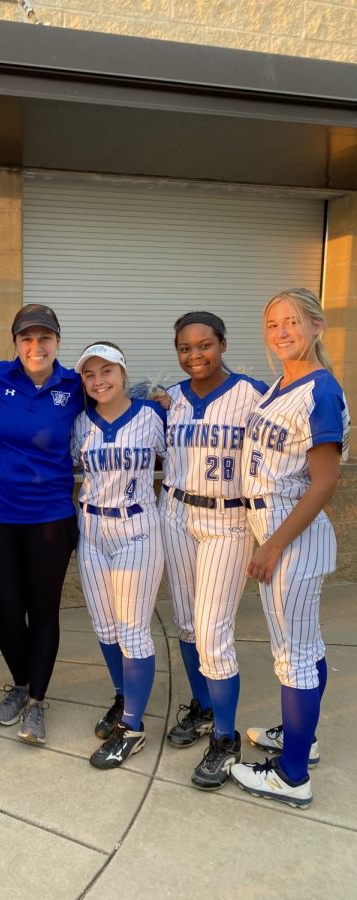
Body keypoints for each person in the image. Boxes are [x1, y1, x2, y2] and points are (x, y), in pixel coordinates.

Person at [230, 288, 349, 808]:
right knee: (306, 647)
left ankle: (292, 775)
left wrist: (273, 545)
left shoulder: (320, 390)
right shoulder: (283, 382)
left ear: (317, 326)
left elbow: (325, 482)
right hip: (278, 530)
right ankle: (305, 737)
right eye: (273, 323)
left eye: (292, 322)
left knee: (294, 657)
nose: (281, 331)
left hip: (290, 536)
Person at [161, 312, 268, 790]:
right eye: (185, 348)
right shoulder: (172, 400)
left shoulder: (253, 394)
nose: (194, 355)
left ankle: (226, 739)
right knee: (186, 622)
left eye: (204, 345)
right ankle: (204, 709)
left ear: (222, 344)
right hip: (177, 513)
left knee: (212, 632)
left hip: (227, 520)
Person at [0, 304, 83, 745]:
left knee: (42, 611)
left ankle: (36, 701)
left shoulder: (75, 385)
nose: (35, 347)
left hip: (50, 518)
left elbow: (115, 400)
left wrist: (163, 400)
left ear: (58, 341)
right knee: (4, 611)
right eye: (26, 339)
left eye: (44, 338)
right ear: (15, 343)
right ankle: (20, 683)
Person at [71, 342, 165, 768]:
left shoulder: (153, 415)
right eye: (90, 375)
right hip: (92, 529)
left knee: (132, 631)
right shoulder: (80, 424)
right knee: (106, 629)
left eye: (106, 371)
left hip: (137, 528)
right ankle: (123, 696)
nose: (98, 380)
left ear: (124, 373)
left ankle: (133, 726)